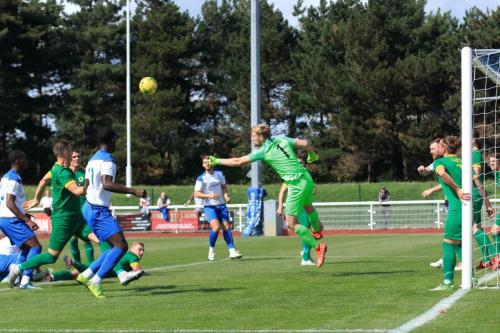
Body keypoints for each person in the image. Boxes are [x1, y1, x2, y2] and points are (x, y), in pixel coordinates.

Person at [207, 124, 327, 268]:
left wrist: (217, 161)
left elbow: (237, 161)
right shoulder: (281, 138)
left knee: (290, 224)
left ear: (261, 137)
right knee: (308, 207)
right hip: (307, 178)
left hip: (295, 184)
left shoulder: (264, 151)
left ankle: (318, 247)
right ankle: (316, 229)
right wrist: (312, 155)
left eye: (253, 136)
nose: (252, 139)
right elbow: (305, 143)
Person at [9, 141, 100, 289]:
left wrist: (37, 199)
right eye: (71, 150)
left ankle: (97, 276)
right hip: (63, 219)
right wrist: (92, 180)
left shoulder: (55, 169)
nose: (73, 154)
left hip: (77, 217)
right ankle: (18, 268)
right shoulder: (63, 172)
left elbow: (43, 180)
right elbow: (77, 191)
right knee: (51, 257)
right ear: (65, 153)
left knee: (103, 241)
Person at [77, 127, 146, 299]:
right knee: (121, 246)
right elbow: (107, 184)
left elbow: (86, 186)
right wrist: (133, 191)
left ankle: (85, 275)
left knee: (111, 246)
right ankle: (96, 281)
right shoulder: (108, 159)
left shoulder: (92, 159)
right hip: (98, 210)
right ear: (112, 141)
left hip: (88, 207)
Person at [430, 136, 470, 291]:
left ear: (444, 149)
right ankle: (471, 277)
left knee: (448, 243)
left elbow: (442, 174)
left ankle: (447, 282)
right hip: (468, 206)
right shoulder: (462, 162)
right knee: (460, 244)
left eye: (439, 145)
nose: (436, 148)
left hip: (456, 208)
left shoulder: (440, 162)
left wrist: (457, 190)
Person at [0, 150, 43, 289]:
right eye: (24, 159)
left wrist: (26, 214)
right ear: (18, 161)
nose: (26, 162)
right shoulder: (13, 178)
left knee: (26, 248)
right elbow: (9, 203)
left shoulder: (6, 177)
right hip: (11, 219)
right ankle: (24, 281)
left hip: (6, 218)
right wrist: (27, 220)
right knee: (36, 247)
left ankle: (17, 278)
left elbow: (11, 203)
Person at [194, 156, 242, 261]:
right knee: (215, 228)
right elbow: (196, 193)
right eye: (205, 162)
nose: (207, 164)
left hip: (221, 205)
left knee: (226, 227)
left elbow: (224, 187)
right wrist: (208, 196)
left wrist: (226, 196)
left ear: (213, 163)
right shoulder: (201, 178)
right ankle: (211, 248)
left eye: (209, 161)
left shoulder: (220, 174)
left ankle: (232, 251)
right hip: (209, 206)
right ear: (203, 165)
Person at [47, 242, 145, 286]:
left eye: (143, 250)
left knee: (75, 274)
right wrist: (138, 271)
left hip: (99, 263)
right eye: (139, 249)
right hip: (104, 269)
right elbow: (135, 267)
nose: (141, 252)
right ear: (132, 249)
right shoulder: (132, 256)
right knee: (81, 273)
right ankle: (74, 262)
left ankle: (52, 276)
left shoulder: (125, 254)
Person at [277, 154, 316, 266]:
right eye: (297, 163)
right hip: (299, 208)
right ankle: (305, 257)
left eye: (301, 163)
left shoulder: (306, 176)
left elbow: (311, 189)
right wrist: (280, 207)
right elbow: (282, 192)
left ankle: (306, 254)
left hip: (305, 207)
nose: (299, 164)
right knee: (308, 231)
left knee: (310, 230)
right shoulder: (291, 177)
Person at [486, 154, 500, 270]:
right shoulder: (496, 173)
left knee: (495, 230)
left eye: (494, 161)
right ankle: (498, 257)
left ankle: (498, 258)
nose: (491, 163)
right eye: (490, 161)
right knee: (495, 231)